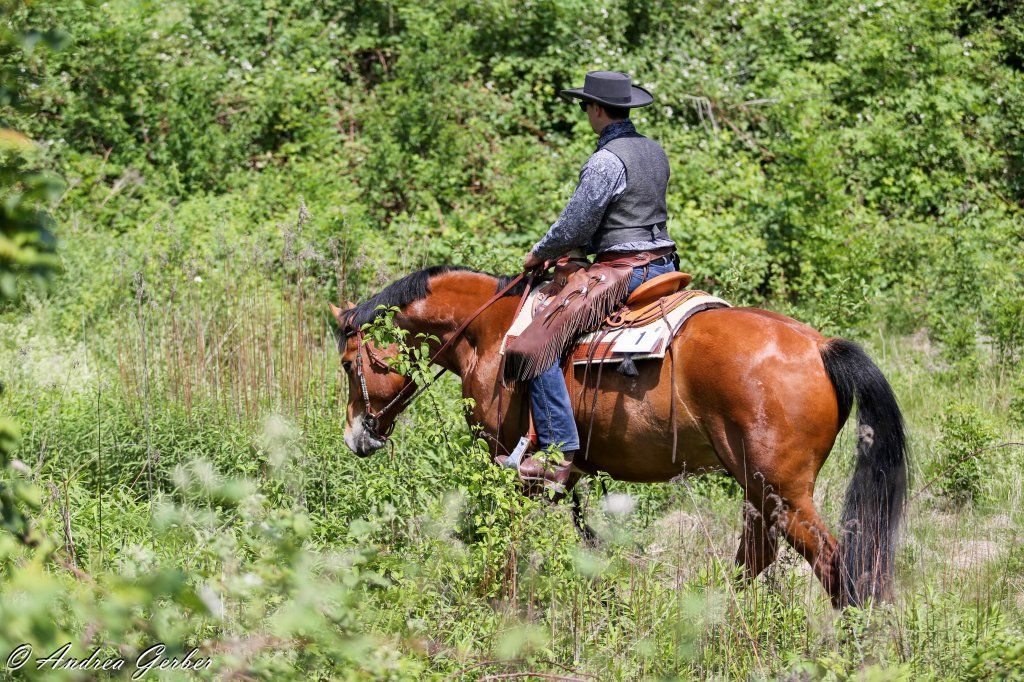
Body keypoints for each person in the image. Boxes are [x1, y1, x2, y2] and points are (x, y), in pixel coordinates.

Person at [516, 70, 677, 490]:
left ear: (598, 110)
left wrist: (540, 253)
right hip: (665, 265)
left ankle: (556, 452)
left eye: (586, 106)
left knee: (536, 344)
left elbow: (575, 225)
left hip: (624, 270)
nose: (586, 112)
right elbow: (622, 216)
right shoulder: (655, 151)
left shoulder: (605, 161)